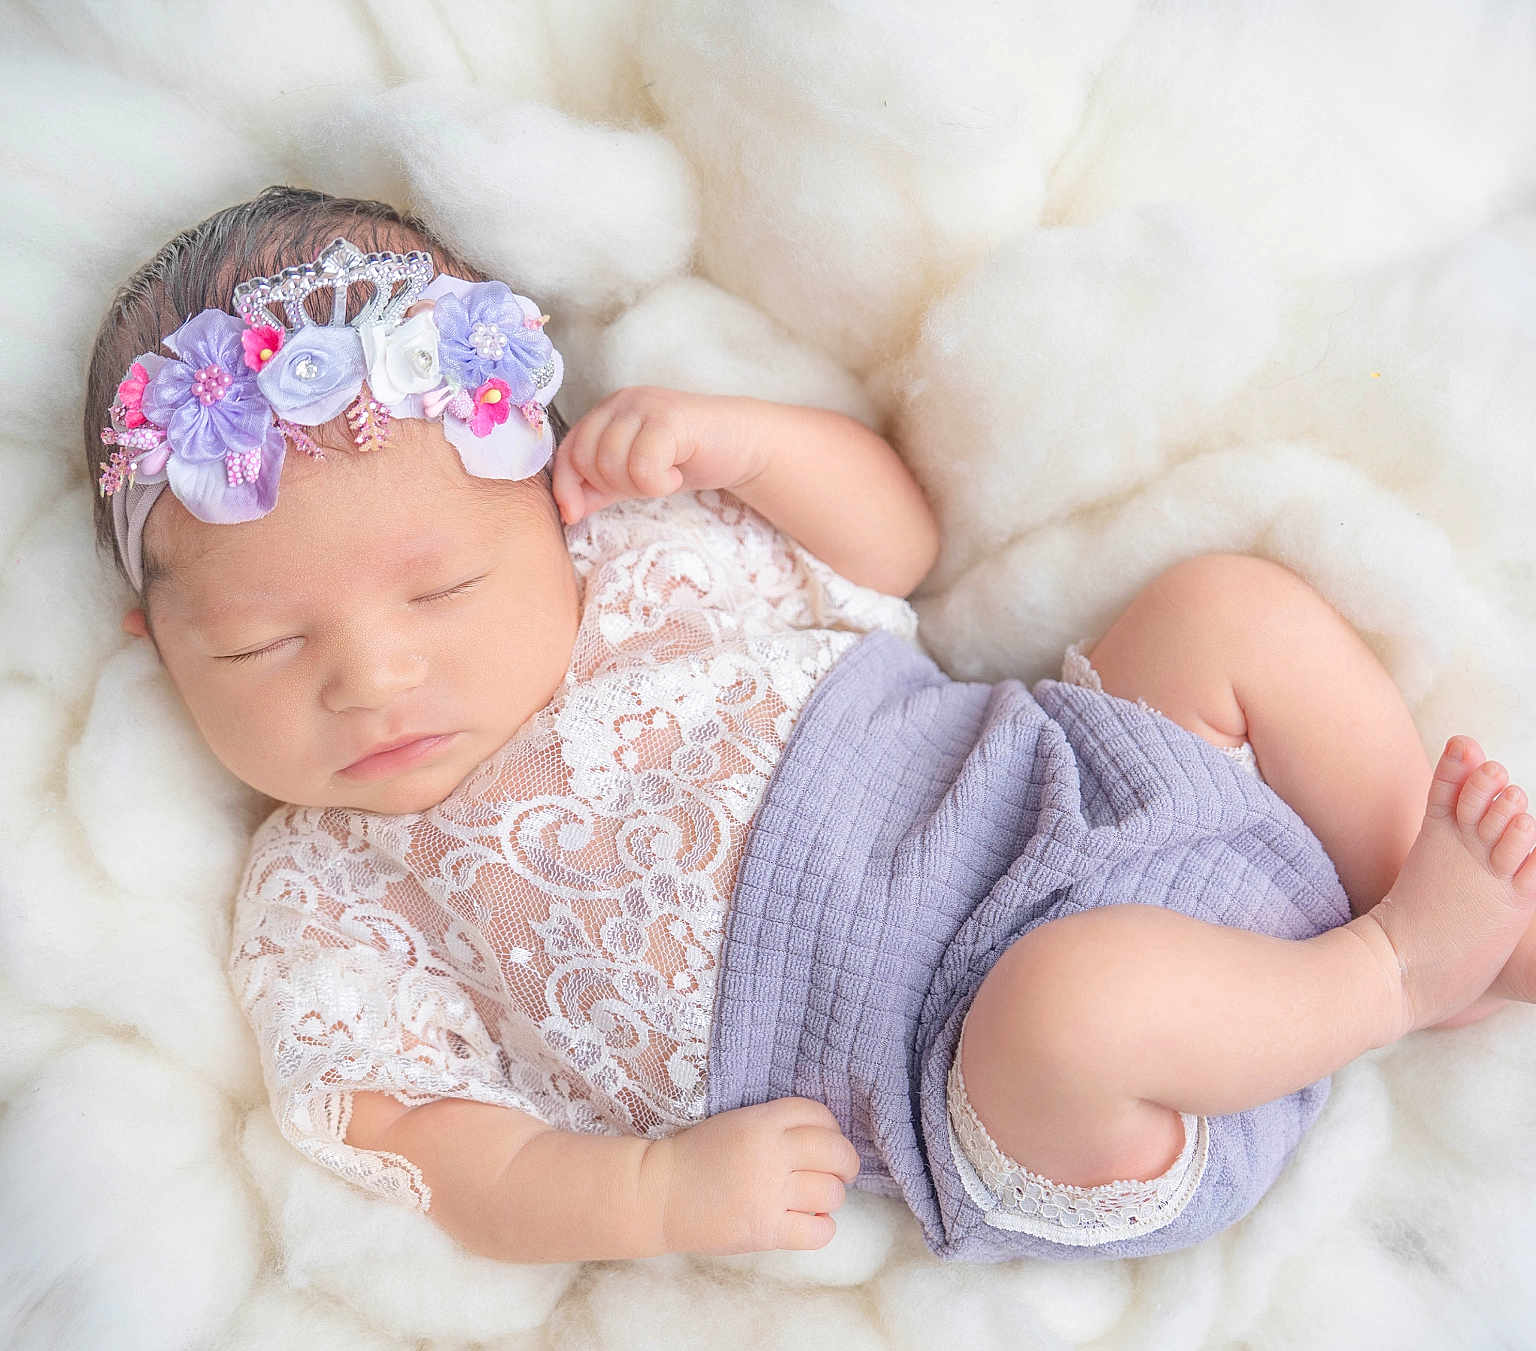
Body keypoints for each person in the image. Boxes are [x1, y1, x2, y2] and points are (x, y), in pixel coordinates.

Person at [86, 185, 1536, 1267]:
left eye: (443, 587)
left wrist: (748, 446)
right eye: (265, 646)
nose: (373, 678)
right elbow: (435, 1151)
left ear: (542, 505)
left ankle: (1452, 914)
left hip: (1066, 784)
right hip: (998, 1076)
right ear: (162, 648)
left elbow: (897, 544)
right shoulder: (331, 894)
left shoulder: (654, 545)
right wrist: (654, 1201)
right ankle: (1398, 973)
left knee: (1226, 611)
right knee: (1075, 1005)